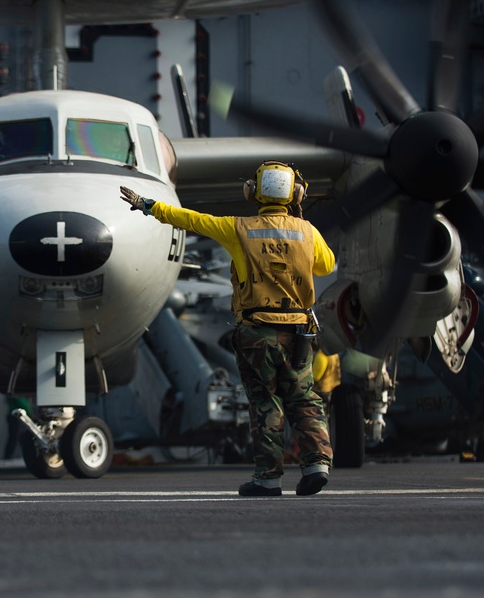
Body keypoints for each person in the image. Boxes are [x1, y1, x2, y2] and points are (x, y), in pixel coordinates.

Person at [120, 160, 335, 496]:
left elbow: (191, 219)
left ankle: (267, 479)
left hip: (257, 331)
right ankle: (316, 463)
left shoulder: (238, 228)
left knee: (266, 403)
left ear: (254, 191)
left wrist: (149, 206)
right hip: (299, 333)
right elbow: (326, 265)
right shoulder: (308, 233)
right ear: (296, 193)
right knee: (304, 398)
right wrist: (301, 225)